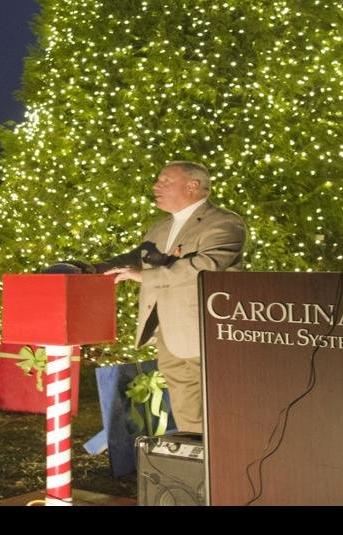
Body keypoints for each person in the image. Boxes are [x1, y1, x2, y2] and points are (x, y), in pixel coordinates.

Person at [92, 161, 246, 436]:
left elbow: (207, 264)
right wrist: (94, 269)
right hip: (168, 332)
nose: (156, 186)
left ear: (193, 185)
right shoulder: (159, 228)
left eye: (165, 181)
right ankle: (195, 459)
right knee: (185, 404)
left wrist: (145, 277)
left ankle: (222, 464)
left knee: (217, 404)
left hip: (204, 330)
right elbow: (138, 257)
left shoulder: (224, 222)